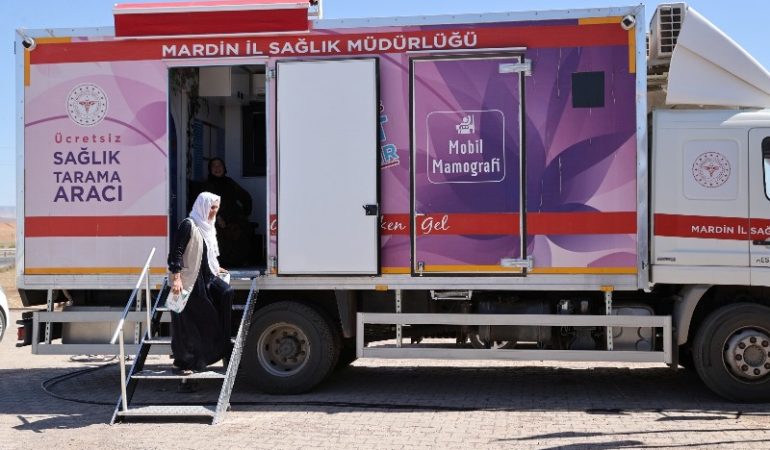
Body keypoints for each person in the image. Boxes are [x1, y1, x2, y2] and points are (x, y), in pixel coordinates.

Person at [168, 191, 233, 375]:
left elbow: (207, 252)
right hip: (189, 280)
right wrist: (177, 278)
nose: (213, 211)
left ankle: (221, 348)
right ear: (202, 206)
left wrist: (216, 266)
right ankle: (183, 363)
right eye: (211, 207)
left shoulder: (208, 226)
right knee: (188, 322)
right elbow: (176, 253)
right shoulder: (188, 225)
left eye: (216, 208)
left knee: (226, 293)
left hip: (206, 277)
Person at [202, 158, 256, 266]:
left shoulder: (229, 182)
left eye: (220, 165)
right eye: (214, 166)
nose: (217, 168)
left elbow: (246, 197)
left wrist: (246, 214)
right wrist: (217, 217)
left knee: (244, 228)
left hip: (234, 217)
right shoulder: (207, 185)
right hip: (216, 218)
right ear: (210, 169)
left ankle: (241, 262)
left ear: (224, 168)